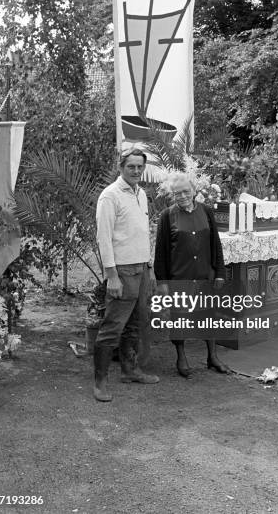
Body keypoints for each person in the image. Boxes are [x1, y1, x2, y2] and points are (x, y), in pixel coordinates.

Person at [93, 147, 159, 402]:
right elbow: (104, 239)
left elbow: (143, 234)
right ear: (121, 167)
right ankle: (99, 383)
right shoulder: (109, 196)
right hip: (122, 271)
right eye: (131, 166)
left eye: (139, 167)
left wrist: (150, 268)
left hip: (141, 269)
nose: (136, 171)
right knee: (112, 327)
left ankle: (130, 371)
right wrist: (111, 276)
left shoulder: (141, 193)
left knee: (134, 325)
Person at [154, 172, 231, 378]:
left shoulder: (206, 211)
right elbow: (160, 252)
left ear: (194, 191)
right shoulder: (167, 216)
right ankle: (181, 356)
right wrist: (162, 282)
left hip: (206, 275)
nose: (182, 196)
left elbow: (216, 244)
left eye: (186, 191)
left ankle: (212, 357)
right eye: (177, 193)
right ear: (172, 195)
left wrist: (220, 273)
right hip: (180, 277)